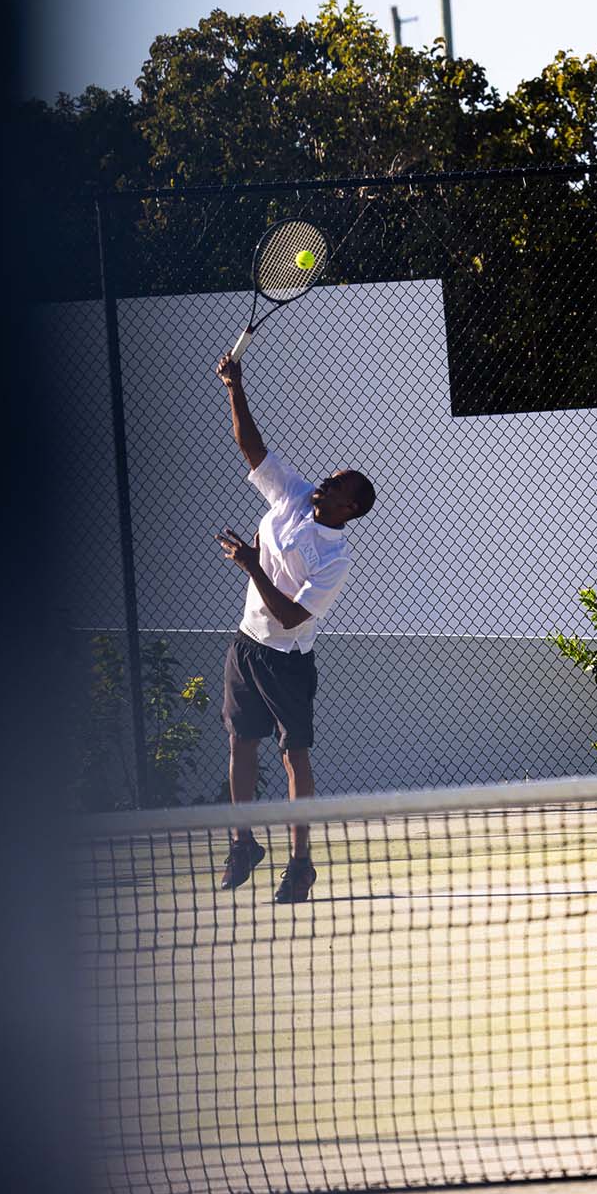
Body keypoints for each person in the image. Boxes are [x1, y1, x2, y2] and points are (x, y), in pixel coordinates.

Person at [214, 351, 376, 904]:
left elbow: (290, 617)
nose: (324, 481)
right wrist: (235, 386)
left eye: (335, 484)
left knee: (293, 757)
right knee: (240, 741)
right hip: (246, 645)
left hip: (287, 659)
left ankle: (300, 865)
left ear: (348, 507)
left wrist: (253, 564)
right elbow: (251, 448)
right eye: (327, 476)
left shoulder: (336, 559)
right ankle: (243, 843)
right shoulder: (292, 495)